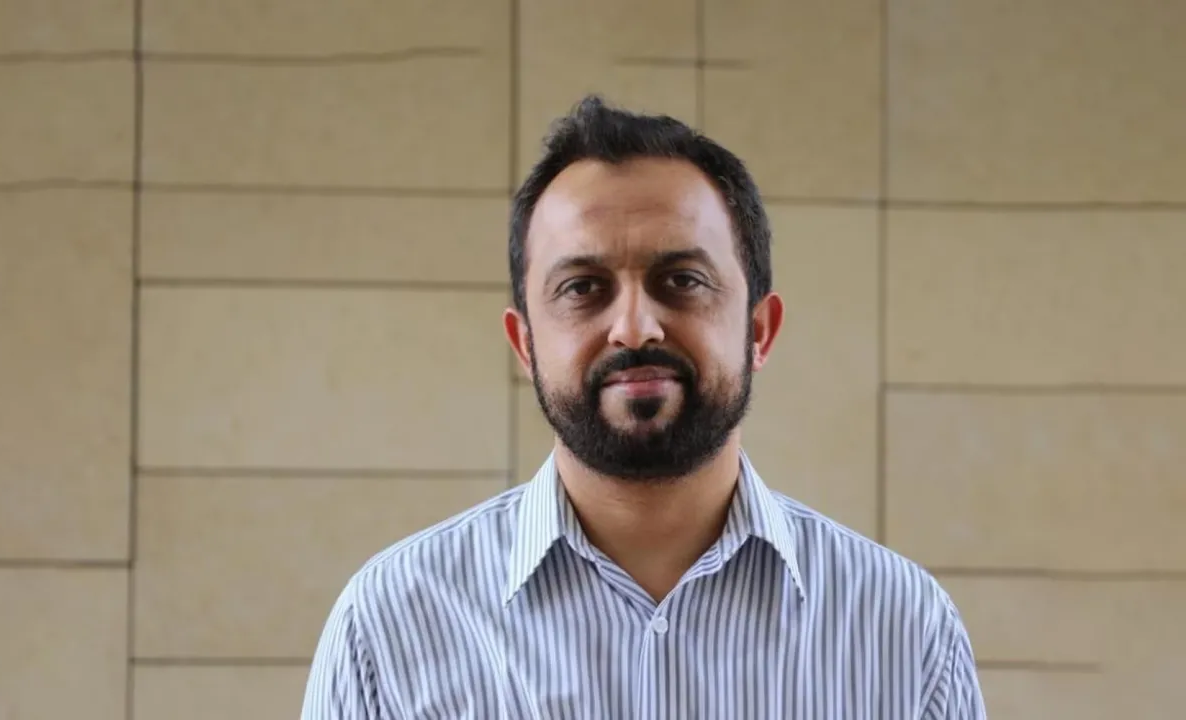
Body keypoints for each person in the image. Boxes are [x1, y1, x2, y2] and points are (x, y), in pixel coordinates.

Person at [301, 96, 986, 719]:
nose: (634, 328)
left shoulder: (902, 627)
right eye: (583, 288)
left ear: (758, 329)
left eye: (681, 280)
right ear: (525, 343)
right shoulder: (388, 628)